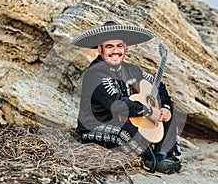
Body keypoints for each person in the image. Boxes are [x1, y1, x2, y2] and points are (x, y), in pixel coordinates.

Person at [71, 21, 181, 174]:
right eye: (109, 46)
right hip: (96, 125)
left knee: (169, 118)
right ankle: (148, 158)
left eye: (119, 46)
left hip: (129, 118)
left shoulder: (131, 69)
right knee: (128, 131)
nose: (115, 51)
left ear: (125, 48)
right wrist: (149, 112)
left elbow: (158, 85)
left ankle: (162, 155)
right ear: (99, 49)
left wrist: (164, 108)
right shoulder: (95, 74)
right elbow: (118, 104)